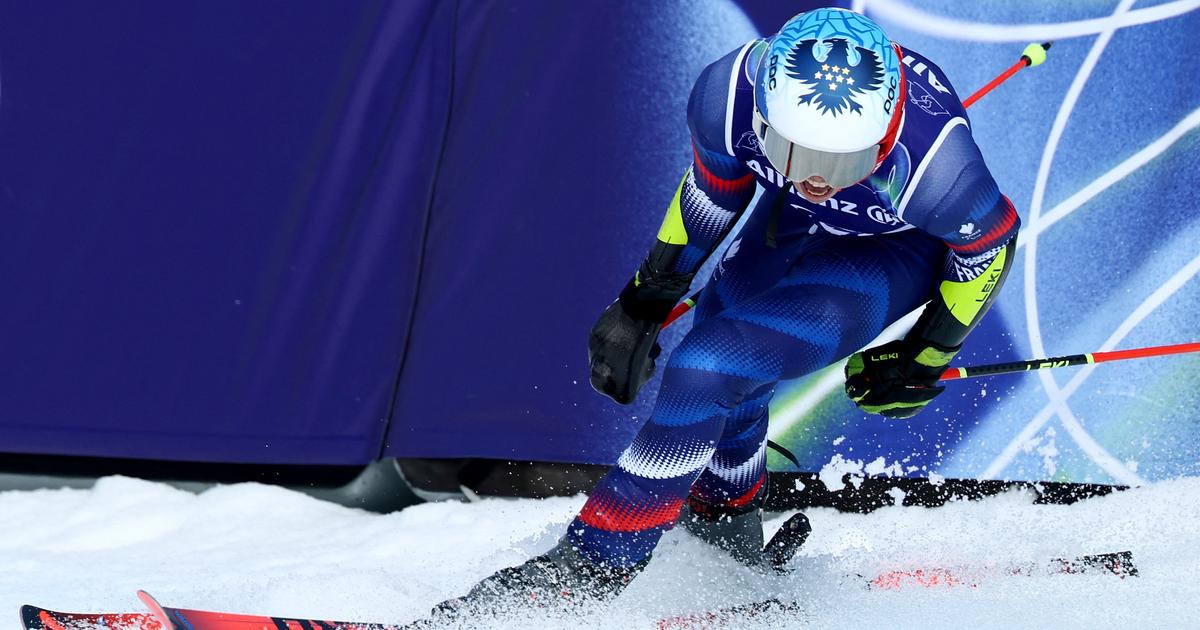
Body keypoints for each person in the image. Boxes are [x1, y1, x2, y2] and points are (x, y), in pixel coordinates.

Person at [433, 7, 1019, 618]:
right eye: (790, 149)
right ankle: (728, 525)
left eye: (844, 161)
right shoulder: (729, 94)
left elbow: (989, 245)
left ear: (886, 136)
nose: (818, 177)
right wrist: (643, 302)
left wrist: (924, 353)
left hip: (891, 247)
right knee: (719, 332)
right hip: (790, 219)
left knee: (708, 367)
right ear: (764, 114)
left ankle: (590, 568)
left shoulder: (938, 171)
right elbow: (714, 195)